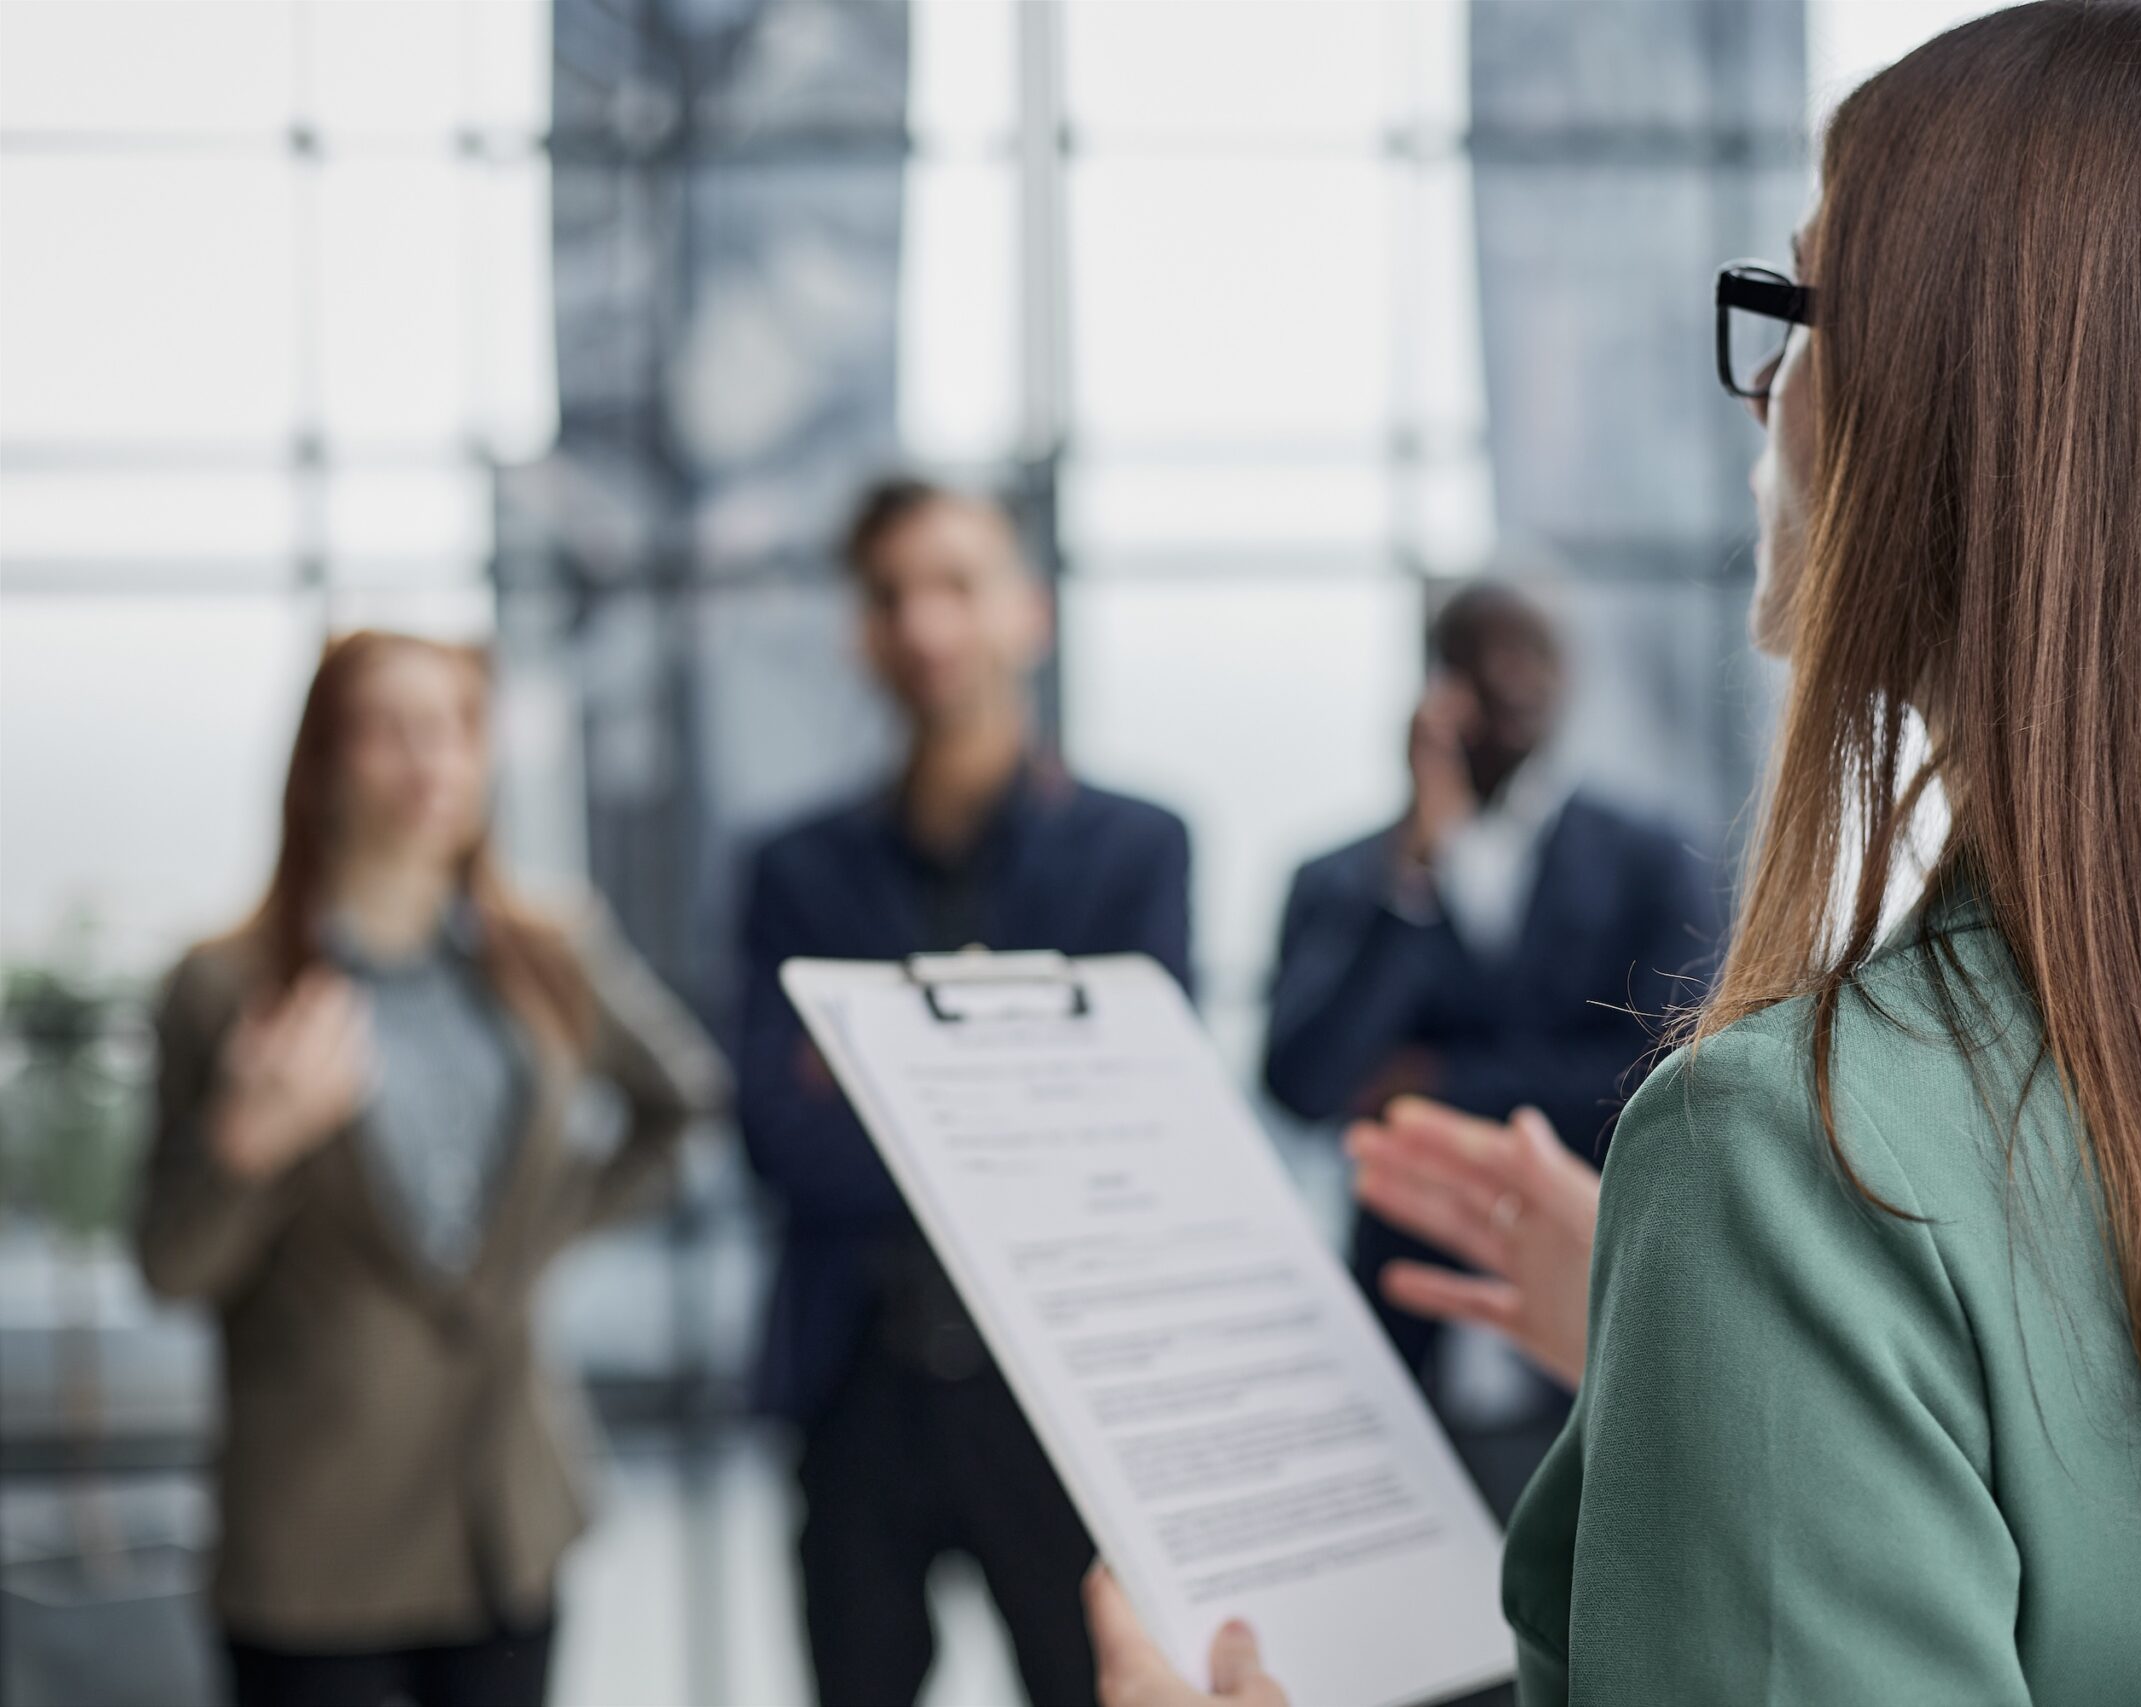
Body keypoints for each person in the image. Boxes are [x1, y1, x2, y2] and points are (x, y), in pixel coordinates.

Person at [1084, 4, 2141, 1702]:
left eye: (1801, 311)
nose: (1770, 392)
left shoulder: (1792, 1156)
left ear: (1974, 414)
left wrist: (1754, 1288)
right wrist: (1705, 1376)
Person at [137, 631, 726, 1707]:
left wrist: (548, 1231)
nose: (431, 759)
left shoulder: (550, 952)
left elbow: (681, 1108)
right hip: (317, 1534)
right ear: (321, 761)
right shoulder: (223, 988)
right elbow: (172, 1269)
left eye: (456, 728)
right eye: (388, 729)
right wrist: (246, 1145)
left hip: (503, 1512)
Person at [734, 476, 1192, 1707]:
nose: (925, 625)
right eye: (891, 596)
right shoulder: (792, 870)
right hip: (853, 1392)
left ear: (1026, 613)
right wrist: (1004, 1092)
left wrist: (878, 1077)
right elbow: (775, 1140)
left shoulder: (1136, 852)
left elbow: (1129, 1141)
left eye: (956, 586)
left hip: (1062, 1403)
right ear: (860, 632)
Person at [1262, 579, 1720, 1422]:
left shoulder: (1656, 860)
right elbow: (1303, 1083)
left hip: (1598, 1327)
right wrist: (1416, 872)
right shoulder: (1344, 881)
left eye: (1532, 653)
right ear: (1439, 686)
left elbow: (1669, 1078)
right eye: (1481, 654)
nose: (1511, 677)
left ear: (1569, 677)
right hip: (1400, 1340)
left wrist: (1438, 1086)